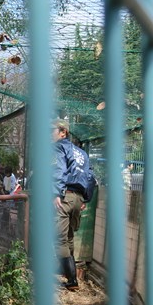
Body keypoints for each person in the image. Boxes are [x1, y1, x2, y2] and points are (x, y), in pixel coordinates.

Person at [52, 119, 90, 291]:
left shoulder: (59, 147)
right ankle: (70, 276)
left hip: (65, 195)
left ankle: (72, 279)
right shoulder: (82, 153)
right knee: (68, 237)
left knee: (59, 239)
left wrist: (56, 193)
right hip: (78, 198)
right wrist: (85, 198)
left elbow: (59, 170)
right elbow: (89, 176)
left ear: (63, 132)